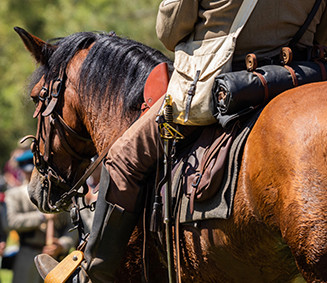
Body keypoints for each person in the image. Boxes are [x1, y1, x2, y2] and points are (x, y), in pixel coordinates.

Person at [35, 0, 327, 282]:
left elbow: (170, 31)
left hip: (222, 83)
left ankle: (93, 274)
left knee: (122, 158)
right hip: (300, 78)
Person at [4, 149, 78, 283]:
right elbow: (11, 222)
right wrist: (41, 217)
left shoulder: (59, 195)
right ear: (21, 170)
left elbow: (72, 226)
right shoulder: (14, 195)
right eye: (27, 170)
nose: (30, 174)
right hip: (27, 255)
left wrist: (62, 244)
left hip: (57, 257)